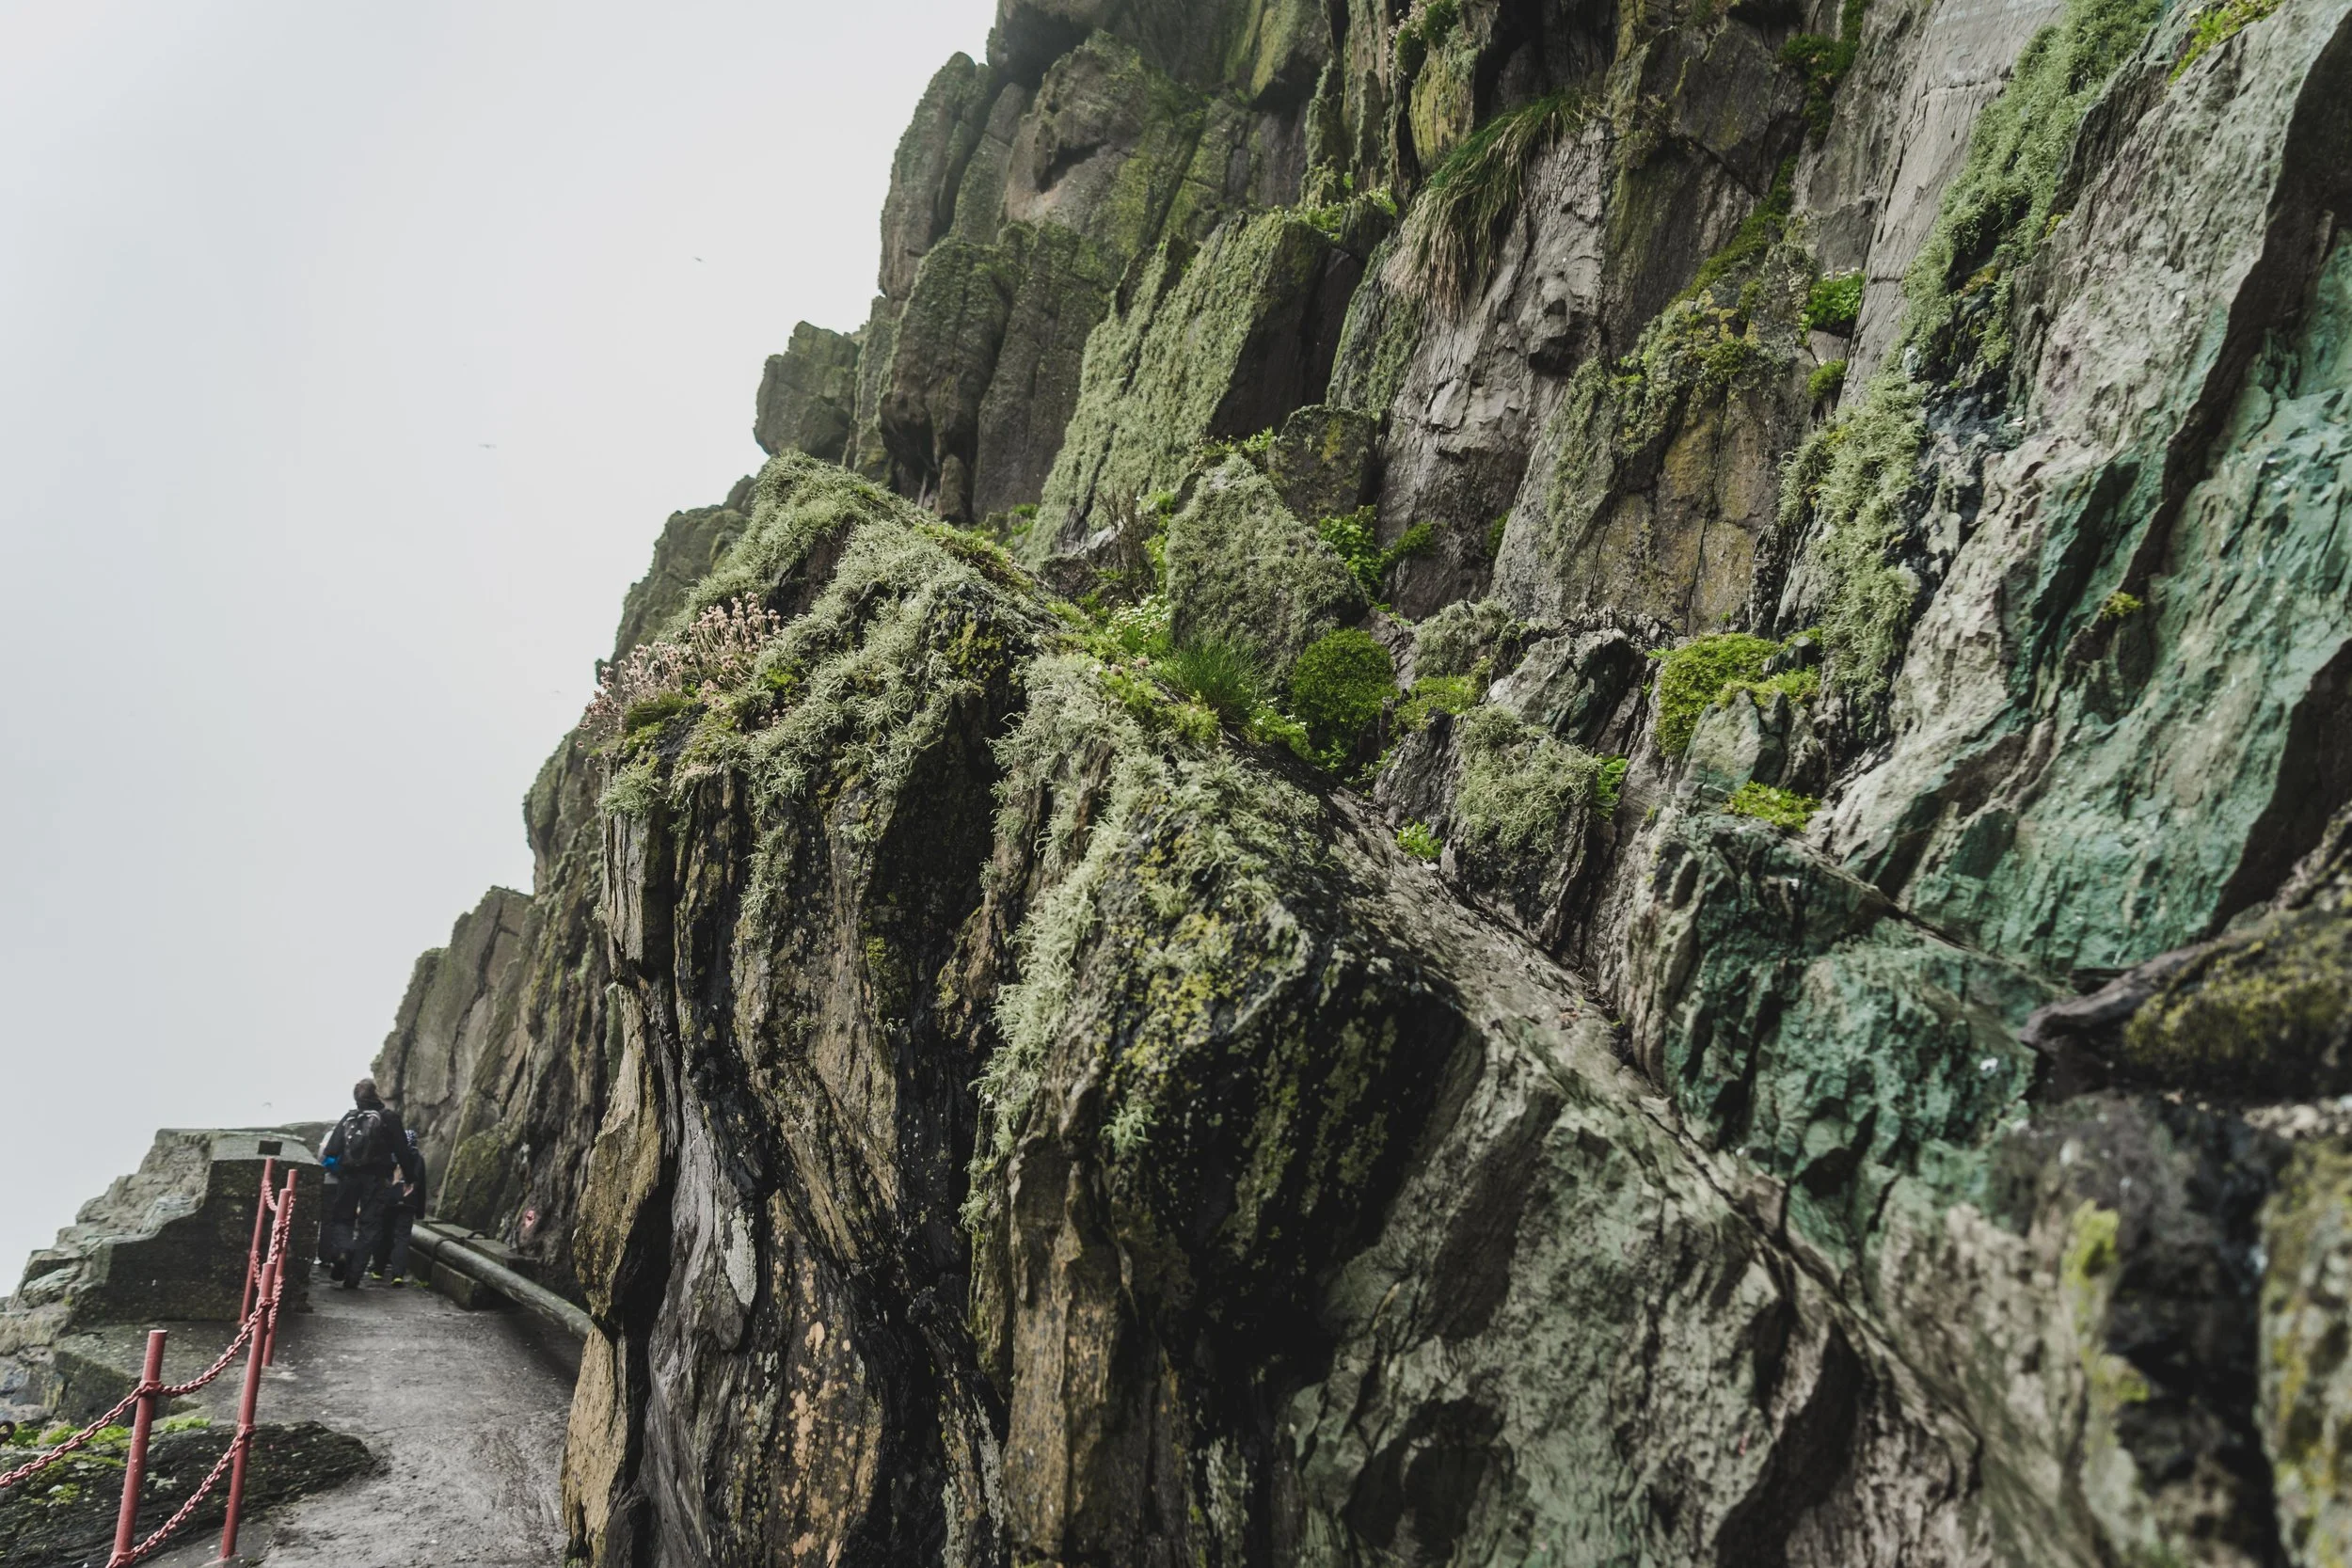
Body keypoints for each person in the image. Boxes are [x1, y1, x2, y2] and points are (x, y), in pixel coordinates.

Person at [317, 1079, 411, 1291]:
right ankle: (354, 1276)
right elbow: (403, 1151)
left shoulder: (349, 1118)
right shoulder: (388, 1118)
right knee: (370, 1226)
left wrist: (343, 1169)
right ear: (376, 1094)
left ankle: (343, 1250)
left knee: (342, 1219)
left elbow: (331, 1150)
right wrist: (410, 1178)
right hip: (377, 1180)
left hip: (348, 1178)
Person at [368, 1131, 428, 1286]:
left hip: (389, 1201)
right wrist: (420, 1210)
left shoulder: (391, 1156)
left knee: (384, 1235)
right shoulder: (418, 1159)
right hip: (409, 1203)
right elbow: (421, 1186)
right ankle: (398, 1274)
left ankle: (378, 1270)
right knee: (402, 1237)